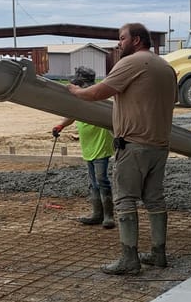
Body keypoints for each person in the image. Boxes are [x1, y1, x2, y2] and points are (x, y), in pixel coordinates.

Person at [68, 23, 176, 275]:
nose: (119, 43)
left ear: (136, 40)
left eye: (122, 38)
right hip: (159, 145)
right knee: (154, 199)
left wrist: (75, 91)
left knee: (125, 199)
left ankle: (129, 259)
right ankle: (158, 253)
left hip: (134, 144)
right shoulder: (166, 67)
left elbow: (97, 93)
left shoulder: (131, 63)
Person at [51, 67, 115, 229]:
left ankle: (109, 216)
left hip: (100, 144)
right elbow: (73, 115)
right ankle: (97, 214)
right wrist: (60, 126)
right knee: (93, 181)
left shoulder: (98, 97)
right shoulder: (81, 98)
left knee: (101, 180)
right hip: (88, 146)